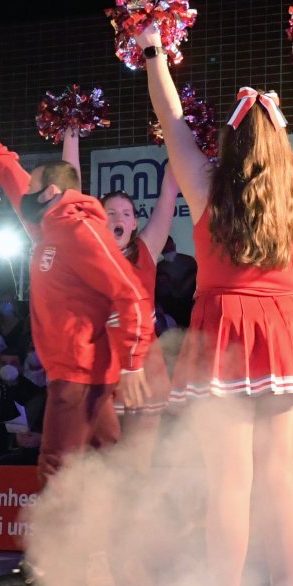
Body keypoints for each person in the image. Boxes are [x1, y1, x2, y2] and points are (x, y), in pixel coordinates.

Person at [142, 31, 293, 586]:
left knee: (230, 482)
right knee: (281, 480)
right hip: (283, 329)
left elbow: (170, 119)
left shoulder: (207, 189)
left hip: (222, 331)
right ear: (280, 142)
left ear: (227, 141)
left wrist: (153, 50)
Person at [0, 94, 152, 586]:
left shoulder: (77, 229)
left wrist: (134, 361)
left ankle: (38, 573)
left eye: (37, 186)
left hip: (81, 372)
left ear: (51, 194)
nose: (28, 190)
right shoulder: (49, 225)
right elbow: (14, 181)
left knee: (57, 469)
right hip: (81, 370)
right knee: (113, 464)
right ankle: (147, 561)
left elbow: (130, 292)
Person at [100, 164, 182, 472]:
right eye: (109, 213)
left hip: (145, 363)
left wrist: (175, 135)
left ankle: (138, 518)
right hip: (102, 364)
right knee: (103, 463)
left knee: (139, 463)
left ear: (135, 222)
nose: (118, 218)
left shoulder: (146, 249)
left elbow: (168, 194)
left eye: (125, 213)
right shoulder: (87, 254)